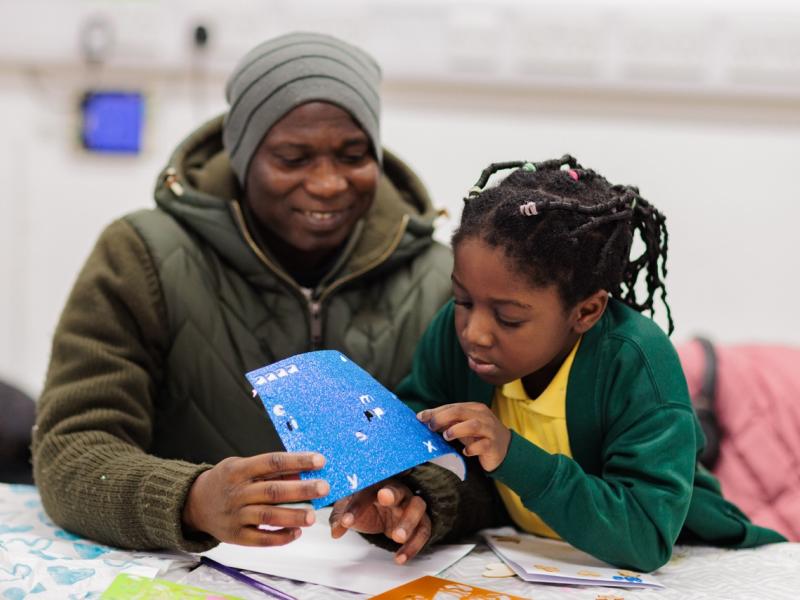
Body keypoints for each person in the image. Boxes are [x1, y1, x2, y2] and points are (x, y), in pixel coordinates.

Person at [32, 31, 452, 555]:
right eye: (293, 158)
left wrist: (427, 500)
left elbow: (494, 460)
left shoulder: (440, 277)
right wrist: (190, 499)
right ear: (242, 155)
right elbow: (71, 451)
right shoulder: (143, 255)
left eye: (353, 155)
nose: (327, 183)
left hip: (370, 579)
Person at [333, 155, 785, 571]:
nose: (474, 332)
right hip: (530, 560)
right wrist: (408, 501)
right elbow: (426, 446)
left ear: (586, 312)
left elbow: (645, 538)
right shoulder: (456, 340)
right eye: (462, 300)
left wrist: (512, 454)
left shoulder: (636, 363)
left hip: (695, 563)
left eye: (509, 317)